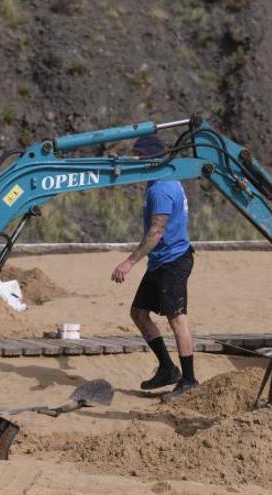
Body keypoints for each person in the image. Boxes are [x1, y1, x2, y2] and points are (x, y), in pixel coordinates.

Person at [111, 135, 197, 401]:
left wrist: (129, 262)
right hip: (161, 260)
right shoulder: (162, 179)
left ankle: (189, 379)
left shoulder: (161, 188)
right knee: (139, 313)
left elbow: (156, 231)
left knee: (177, 320)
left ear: (151, 157)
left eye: (139, 157)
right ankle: (167, 369)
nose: (137, 161)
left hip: (173, 261)